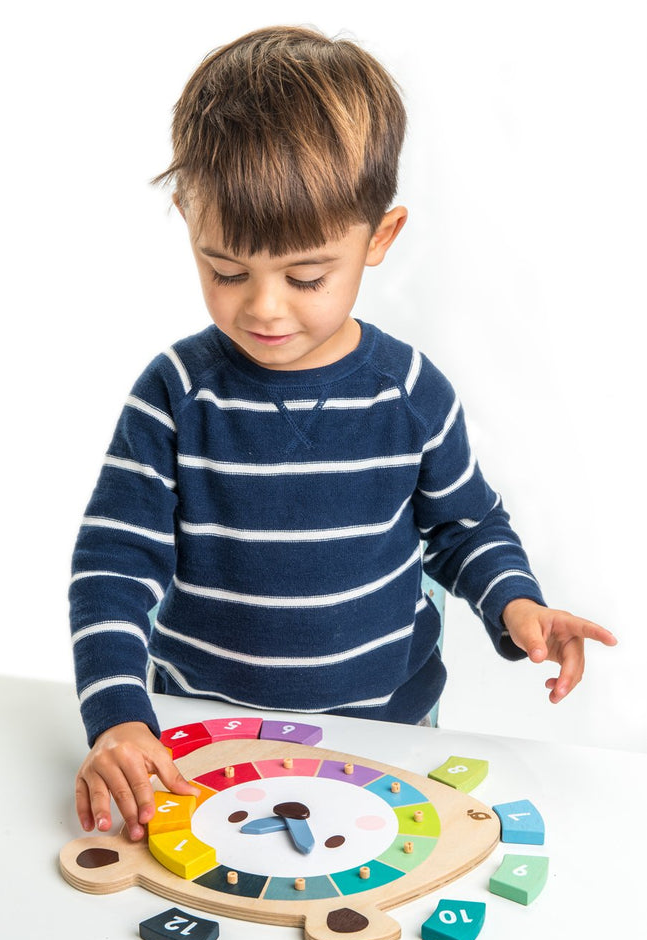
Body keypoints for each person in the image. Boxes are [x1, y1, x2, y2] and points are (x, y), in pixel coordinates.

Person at [70, 26, 616, 842]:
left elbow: (463, 527)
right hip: (199, 741)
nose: (262, 307)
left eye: (306, 276)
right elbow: (115, 561)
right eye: (226, 271)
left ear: (380, 239)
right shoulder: (174, 394)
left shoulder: (411, 392)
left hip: (387, 737)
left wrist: (515, 603)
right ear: (188, 218)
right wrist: (119, 716)